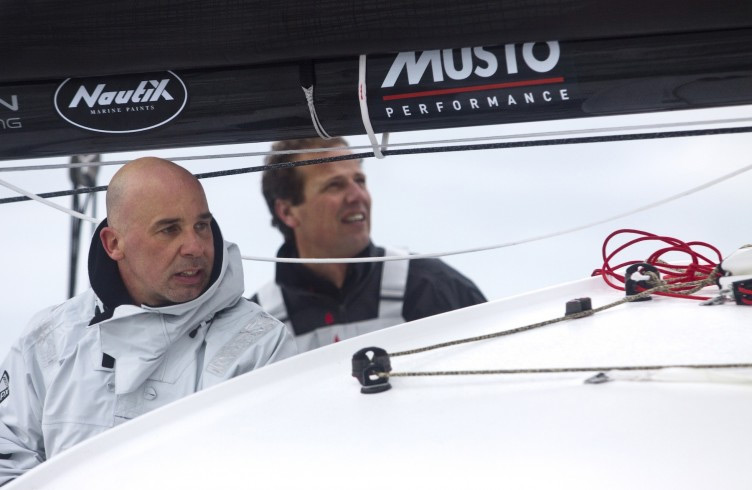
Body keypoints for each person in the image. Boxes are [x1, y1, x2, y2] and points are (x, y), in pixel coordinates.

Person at [0, 157, 296, 483]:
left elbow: (271, 472)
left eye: (202, 225)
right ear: (114, 244)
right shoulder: (48, 340)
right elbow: (7, 462)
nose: (195, 247)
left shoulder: (260, 344)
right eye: (169, 229)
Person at [252, 137, 486, 352]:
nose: (357, 196)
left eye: (359, 181)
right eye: (334, 185)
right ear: (287, 211)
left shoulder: (431, 287)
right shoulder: (257, 328)